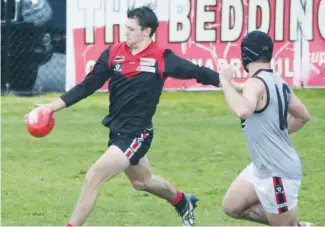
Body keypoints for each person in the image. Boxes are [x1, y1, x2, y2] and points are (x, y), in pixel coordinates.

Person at [26, 5, 221, 227]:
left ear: (146, 31)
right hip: (117, 131)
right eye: (125, 27)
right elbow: (87, 86)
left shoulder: (161, 58)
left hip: (137, 134)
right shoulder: (113, 54)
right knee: (142, 182)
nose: (125, 32)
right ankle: (183, 201)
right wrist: (51, 107)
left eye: (131, 29)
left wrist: (231, 85)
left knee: (93, 177)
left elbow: (199, 72)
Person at [218, 30, 314, 226]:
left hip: (277, 172)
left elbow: (243, 110)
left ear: (244, 55)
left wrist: (226, 82)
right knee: (232, 205)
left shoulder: (255, 83)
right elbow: (303, 116)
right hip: (262, 166)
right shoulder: (279, 83)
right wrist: (275, 132)